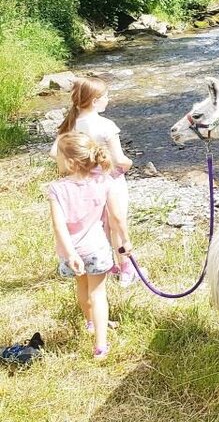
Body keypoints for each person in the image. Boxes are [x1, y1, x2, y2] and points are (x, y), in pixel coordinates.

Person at [48, 132, 131, 359]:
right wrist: (125, 240)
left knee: (82, 288)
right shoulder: (105, 182)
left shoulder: (56, 188)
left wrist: (71, 253)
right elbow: (116, 217)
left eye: (60, 156)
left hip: (71, 250)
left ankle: (89, 322)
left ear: (71, 162)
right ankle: (101, 346)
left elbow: (59, 226)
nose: (56, 158)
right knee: (98, 293)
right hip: (96, 248)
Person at [50, 77, 136, 286]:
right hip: (110, 180)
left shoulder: (70, 124)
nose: (108, 99)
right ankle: (125, 268)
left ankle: (108, 265)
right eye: (106, 96)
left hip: (84, 181)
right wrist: (129, 163)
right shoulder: (106, 125)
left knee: (98, 226)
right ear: (95, 100)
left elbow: (54, 153)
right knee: (116, 222)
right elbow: (119, 159)